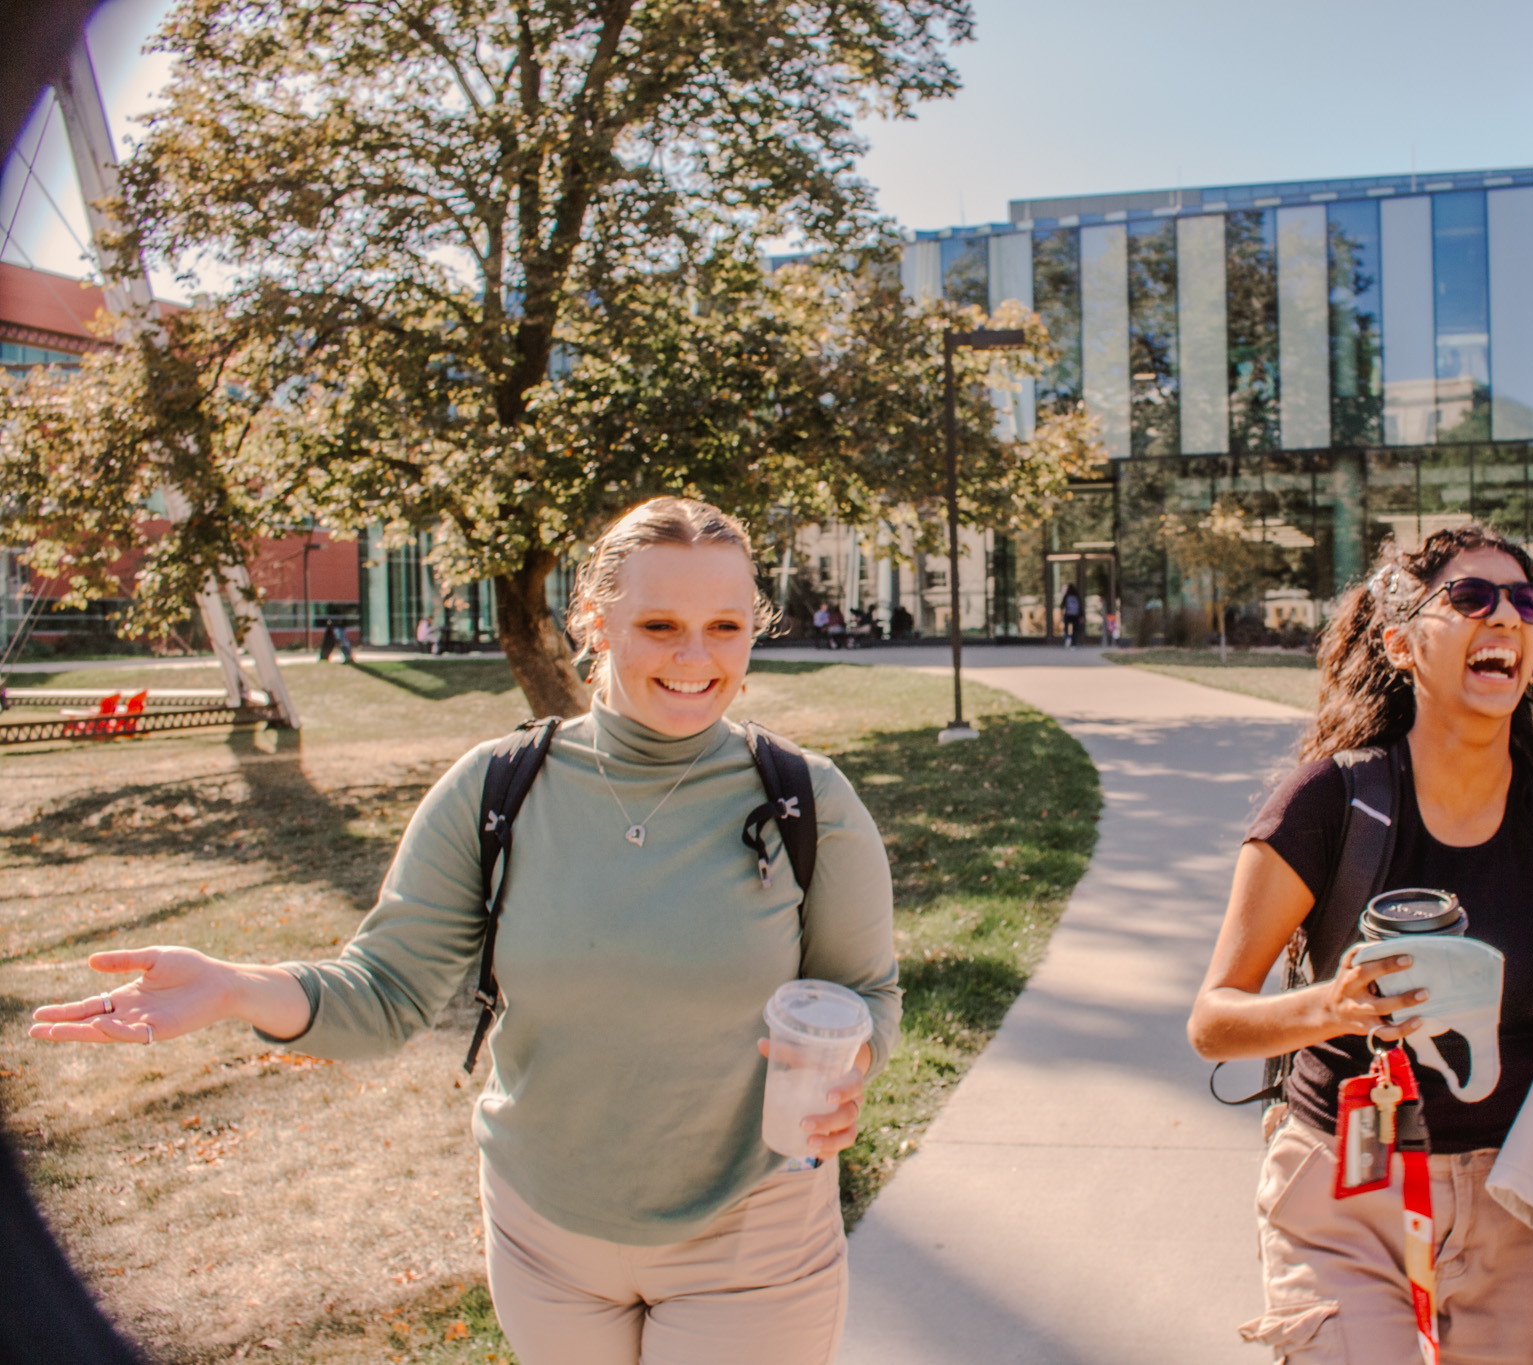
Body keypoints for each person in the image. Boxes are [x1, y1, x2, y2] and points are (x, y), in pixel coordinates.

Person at [29, 497, 902, 1365]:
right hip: (546, 1242)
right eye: (661, 623)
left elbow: (865, 994)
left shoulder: (807, 801)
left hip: (752, 1235)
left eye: (725, 625)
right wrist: (233, 988)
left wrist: (848, 1066)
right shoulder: (496, 790)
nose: (696, 656)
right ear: (593, 622)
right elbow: (385, 994)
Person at [1189, 525, 1533, 1365]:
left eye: (1527, 602)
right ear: (1401, 644)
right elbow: (1214, 1019)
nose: (1507, 616)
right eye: (1470, 598)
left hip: (1523, 1201)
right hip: (1345, 1193)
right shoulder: (1330, 803)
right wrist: (1330, 1006)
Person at [1059, 584, 1083, 648]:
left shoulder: (1067, 596)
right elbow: (1080, 607)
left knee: (1068, 628)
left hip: (1068, 615)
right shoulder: (1076, 596)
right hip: (1075, 616)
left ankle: (1068, 637)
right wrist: (1081, 616)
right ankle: (1073, 644)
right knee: (1075, 630)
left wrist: (1063, 612)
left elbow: (1062, 605)